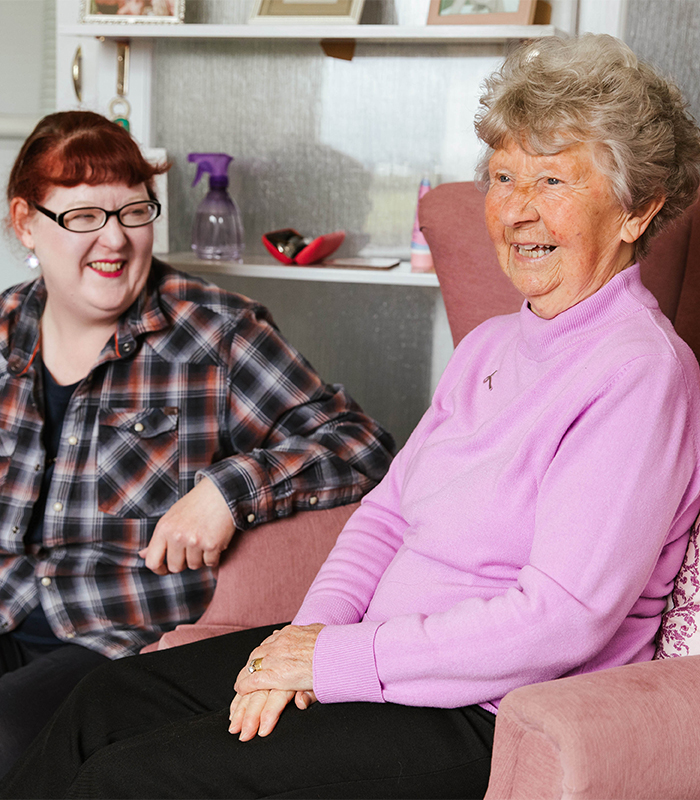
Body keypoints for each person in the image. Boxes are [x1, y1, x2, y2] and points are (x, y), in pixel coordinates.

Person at [4, 33, 700, 800]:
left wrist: (329, 663)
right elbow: (384, 517)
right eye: (503, 176)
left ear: (639, 209)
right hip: (371, 661)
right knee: (98, 705)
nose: (519, 209)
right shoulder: (496, 345)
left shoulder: (640, 372)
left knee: (131, 778)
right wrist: (304, 640)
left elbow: (561, 620)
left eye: (552, 179)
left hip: (483, 711)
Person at [0, 111, 395, 777]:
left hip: (110, 640)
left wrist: (228, 490)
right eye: (85, 217)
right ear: (26, 224)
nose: (116, 240)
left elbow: (364, 444)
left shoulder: (217, 334)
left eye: (134, 211)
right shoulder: (6, 325)